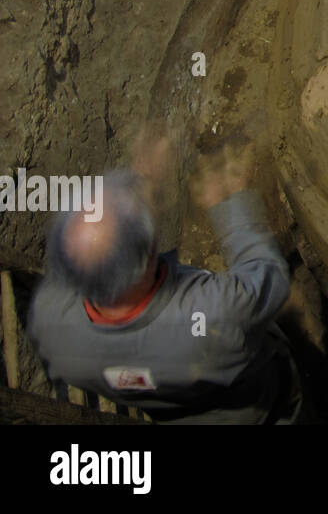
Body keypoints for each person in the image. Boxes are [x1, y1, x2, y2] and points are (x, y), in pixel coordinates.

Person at [26, 133, 298, 424]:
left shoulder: (51, 328)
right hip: (256, 408)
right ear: (152, 252)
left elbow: (98, 241)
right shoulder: (215, 312)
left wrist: (141, 177)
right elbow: (268, 277)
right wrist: (232, 202)